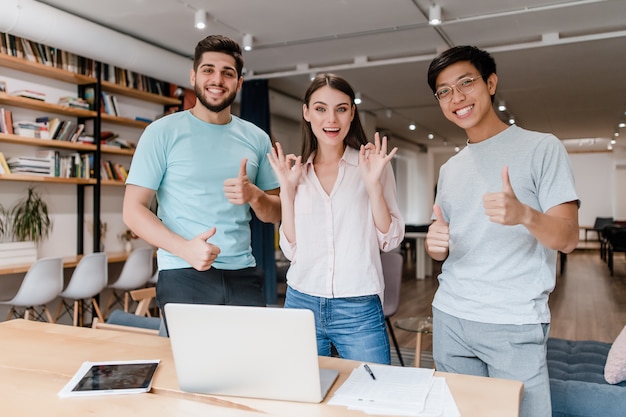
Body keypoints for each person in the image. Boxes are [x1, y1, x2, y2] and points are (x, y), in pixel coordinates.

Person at [425, 45, 579, 417]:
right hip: (450, 317)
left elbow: (569, 238)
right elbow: (447, 241)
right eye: (444, 91)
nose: (456, 97)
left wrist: (525, 214)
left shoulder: (542, 148)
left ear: (490, 83)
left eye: (466, 83)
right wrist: (436, 245)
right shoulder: (450, 169)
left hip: (513, 321)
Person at [122, 34, 281, 333]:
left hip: (243, 275)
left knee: (250, 369)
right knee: (188, 376)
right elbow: (133, 211)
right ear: (194, 76)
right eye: (208, 70)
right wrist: (184, 249)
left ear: (239, 83)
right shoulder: (161, 133)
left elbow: (275, 212)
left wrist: (255, 196)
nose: (217, 79)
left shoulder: (257, 138)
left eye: (227, 73)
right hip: (184, 273)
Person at [267, 73, 405, 364]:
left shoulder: (372, 165)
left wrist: (372, 186)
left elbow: (389, 239)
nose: (332, 119)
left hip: (358, 305)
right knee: (303, 399)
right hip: (301, 300)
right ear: (306, 112)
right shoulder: (297, 172)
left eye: (341, 109)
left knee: (374, 397)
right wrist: (287, 192)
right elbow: (291, 251)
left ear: (352, 113)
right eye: (320, 108)